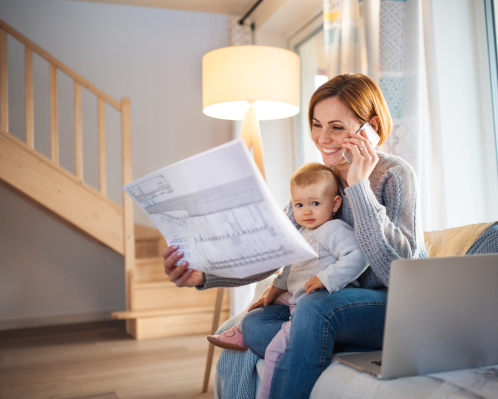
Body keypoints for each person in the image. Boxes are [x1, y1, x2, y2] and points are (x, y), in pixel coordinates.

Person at [162, 73, 428, 399]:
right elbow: (274, 250)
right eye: (316, 124)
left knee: (314, 308)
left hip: (393, 306)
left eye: (337, 127)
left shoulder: (394, 175)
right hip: (335, 306)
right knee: (255, 322)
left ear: (369, 127)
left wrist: (359, 187)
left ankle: (316, 335)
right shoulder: (318, 181)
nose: (322, 138)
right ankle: (317, 339)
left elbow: (398, 272)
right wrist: (203, 275)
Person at [207, 162, 368, 399]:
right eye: (299, 205)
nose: (307, 211)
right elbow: (291, 267)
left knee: (275, 351)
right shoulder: (301, 233)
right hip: (297, 294)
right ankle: (242, 329)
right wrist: (276, 288)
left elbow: (358, 256)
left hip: (321, 299)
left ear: (335, 204)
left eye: (315, 203)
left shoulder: (334, 229)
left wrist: (326, 278)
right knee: (260, 307)